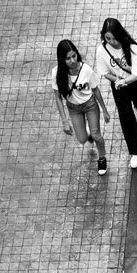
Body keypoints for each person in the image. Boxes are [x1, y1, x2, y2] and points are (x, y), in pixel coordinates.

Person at [96, 18, 137, 169]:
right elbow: (104, 73)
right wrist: (118, 80)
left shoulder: (132, 48)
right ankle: (136, 151)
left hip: (134, 83)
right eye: (107, 38)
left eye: (113, 38)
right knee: (126, 117)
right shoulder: (102, 51)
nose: (111, 41)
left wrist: (124, 81)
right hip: (118, 86)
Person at [52, 40, 111, 175]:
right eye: (68, 58)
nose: (72, 60)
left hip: (90, 105)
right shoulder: (57, 73)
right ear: (62, 60)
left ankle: (102, 158)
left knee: (96, 135)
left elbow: (95, 90)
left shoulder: (86, 70)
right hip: (73, 108)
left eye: (74, 56)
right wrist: (64, 121)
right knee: (82, 139)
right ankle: (89, 134)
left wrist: (105, 111)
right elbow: (58, 97)